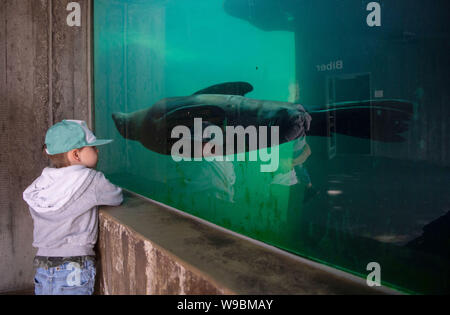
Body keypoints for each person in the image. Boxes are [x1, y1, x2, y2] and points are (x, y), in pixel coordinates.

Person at [23, 119, 123, 295]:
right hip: (74, 266)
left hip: (43, 265)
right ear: (76, 155)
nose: (97, 150)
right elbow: (116, 197)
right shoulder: (92, 180)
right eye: (92, 147)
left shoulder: (41, 185)